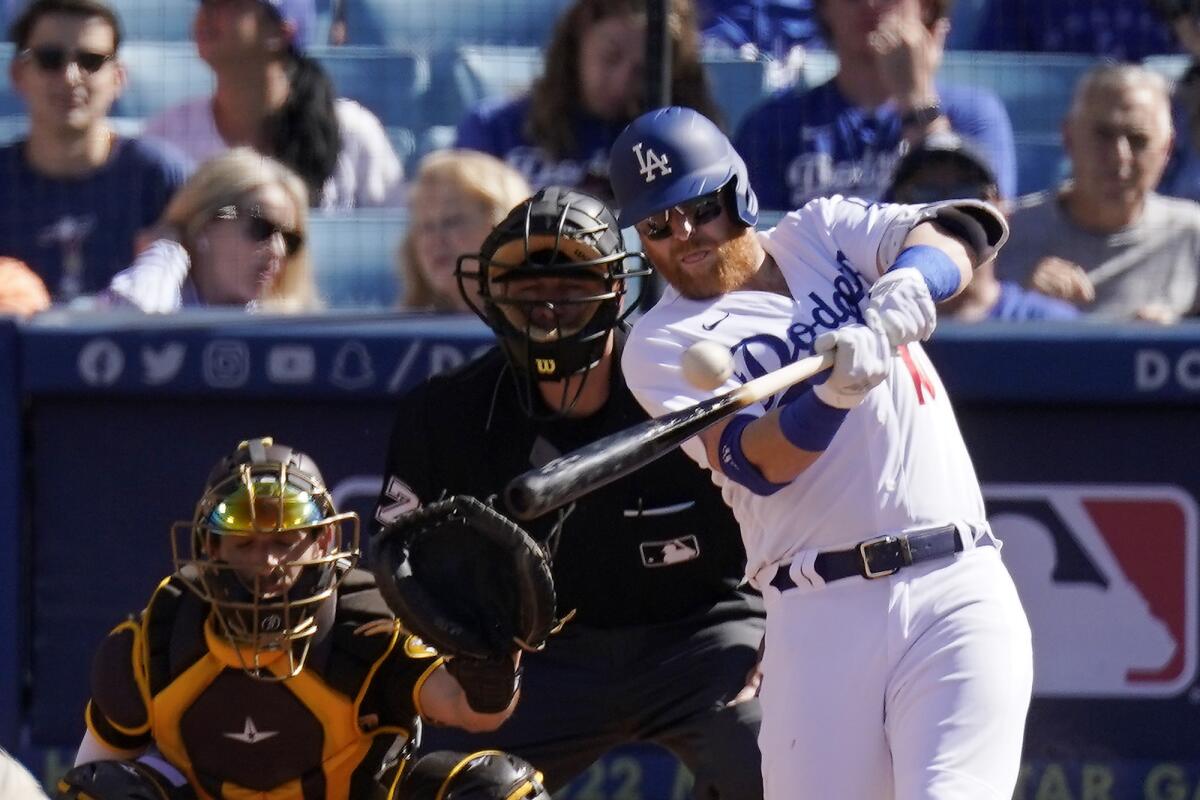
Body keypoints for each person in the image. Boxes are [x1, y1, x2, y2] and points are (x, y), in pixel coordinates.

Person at [610, 106, 1032, 798]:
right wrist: (832, 395)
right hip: (818, 613)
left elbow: (966, 228)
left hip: (954, 582)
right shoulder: (660, 346)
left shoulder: (823, 232)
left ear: (738, 194)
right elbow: (756, 460)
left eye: (698, 207)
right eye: (658, 224)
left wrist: (909, 282)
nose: (682, 235)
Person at [374, 186, 767, 799]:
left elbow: (794, 525)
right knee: (440, 779)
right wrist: (464, 660)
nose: (551, 311)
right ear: (493, 296)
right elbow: (399, 565)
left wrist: (785, 647)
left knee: (771, 744)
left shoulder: (682, 389)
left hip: (701, 638)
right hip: (532, 661)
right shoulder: (444, 414)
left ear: (615, 291)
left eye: (573, 291)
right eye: (529, 294)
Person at [59, 436, 543, 800]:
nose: (267, 564)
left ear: (326, 542)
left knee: (501, 791)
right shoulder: (160, 637)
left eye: (285, 542)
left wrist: (493, 668)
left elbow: (470, 710)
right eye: (245, 544)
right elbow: (92, 774)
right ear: (210, 549)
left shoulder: (368, 616)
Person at [733, 0, 1016, 210]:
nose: (868, 3)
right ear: (823, 8)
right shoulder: (772, 126)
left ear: (927, 6)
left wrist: (918, 104)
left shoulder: (973, 115)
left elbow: (980, 231)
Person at [0, 0, 189, 303]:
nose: (70, 76)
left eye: (91, 61)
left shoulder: (159, 177)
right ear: (18, 74)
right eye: (50, 59)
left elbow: (227, 224)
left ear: (118, 78)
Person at [142, 0, 403, 210]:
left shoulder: (352, 131)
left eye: (230, 2)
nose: (208, 11)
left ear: (282, 32)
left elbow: (396, 245)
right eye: (205, 2)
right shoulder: (164, 138)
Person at [455, 0, 721, 202]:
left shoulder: (679, 141)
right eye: (610, 57)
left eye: (643, 71)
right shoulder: (494, 128)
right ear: (577, 40)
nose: (621, 81)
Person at [995, 64, 1200, 323]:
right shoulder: (1005, 236)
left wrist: (1175, 339)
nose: (1119, 157)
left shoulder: (1191, 235)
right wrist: (1014, 299)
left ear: (1166, 150)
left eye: (1138, 140)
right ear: (1069, 138)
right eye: (1103, 136)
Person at [886, 131, 1078, 321]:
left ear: (1001, 211)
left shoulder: (1048, 325)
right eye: (924, 194)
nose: (948, 209)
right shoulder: (867, 329)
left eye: (968, 193)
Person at [98, 148, 320, 313]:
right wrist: (166, 252)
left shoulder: (283, 328)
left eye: (290, 240)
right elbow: (131, 318)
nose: (278, 250)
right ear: (207, 223)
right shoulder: (160, 292)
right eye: (261, 228)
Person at [398, 149, 531, 313]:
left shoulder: (554, 324)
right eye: (426, 226)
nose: (435, 240)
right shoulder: (405, 332)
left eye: (452, 221)